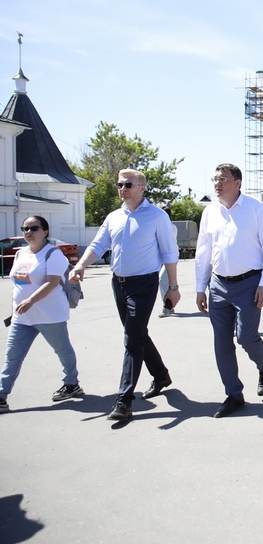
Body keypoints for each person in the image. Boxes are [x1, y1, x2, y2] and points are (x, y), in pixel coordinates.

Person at [71, 169, 180, 422]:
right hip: (118, 283)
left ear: (142, 187)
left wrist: (173, 288)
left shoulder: (157, 216)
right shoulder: (114, 217)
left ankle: (124, 400)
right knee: (138, 333)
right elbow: (98, 245)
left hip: (144, 284)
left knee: (131, 339)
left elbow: (169, 254)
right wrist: (80, 265)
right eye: (119, 184)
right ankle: (161, 374)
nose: (123, 188)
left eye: (128, 184)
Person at [195, 164, 263, 419]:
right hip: (218, 285)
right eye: (215, 179)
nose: (217, 183)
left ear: (238, 183)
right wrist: (201, 287)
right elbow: (204, 251)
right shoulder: (210, 212)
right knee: (222, 342)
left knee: (246, 337)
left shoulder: (255, 209)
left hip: (249, 284)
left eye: (223, 179)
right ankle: (233, 394)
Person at [0, 216, 83, 414]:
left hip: (50, 315)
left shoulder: (53, 254)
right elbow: (18, 285)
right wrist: (15, 309)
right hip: (23, 317)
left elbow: (52, 282)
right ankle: (1, 396)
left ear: (45, 232)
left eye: (34, 228)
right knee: (12, 357)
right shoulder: (21, 254)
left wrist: (30, 301)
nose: (28, 232)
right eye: (25, 228)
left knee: (62, 350)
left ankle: (72, 384)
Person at [158, 203, 178, 317]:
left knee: (163, 280)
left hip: (171, 258)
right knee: (165, 281)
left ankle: (167, 306)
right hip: (160, 258)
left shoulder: (171, 227)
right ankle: (170, 305)